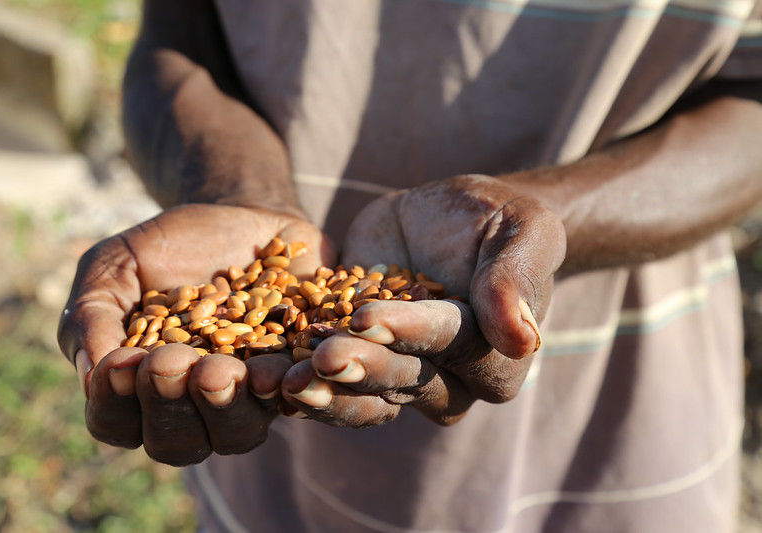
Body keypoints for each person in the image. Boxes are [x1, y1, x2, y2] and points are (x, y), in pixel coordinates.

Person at [58, 0, 762, 531]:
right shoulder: (267, 321)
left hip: (614, 391)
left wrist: (538, 216)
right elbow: (176, 38)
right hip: (274, 416)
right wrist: (232, 188)